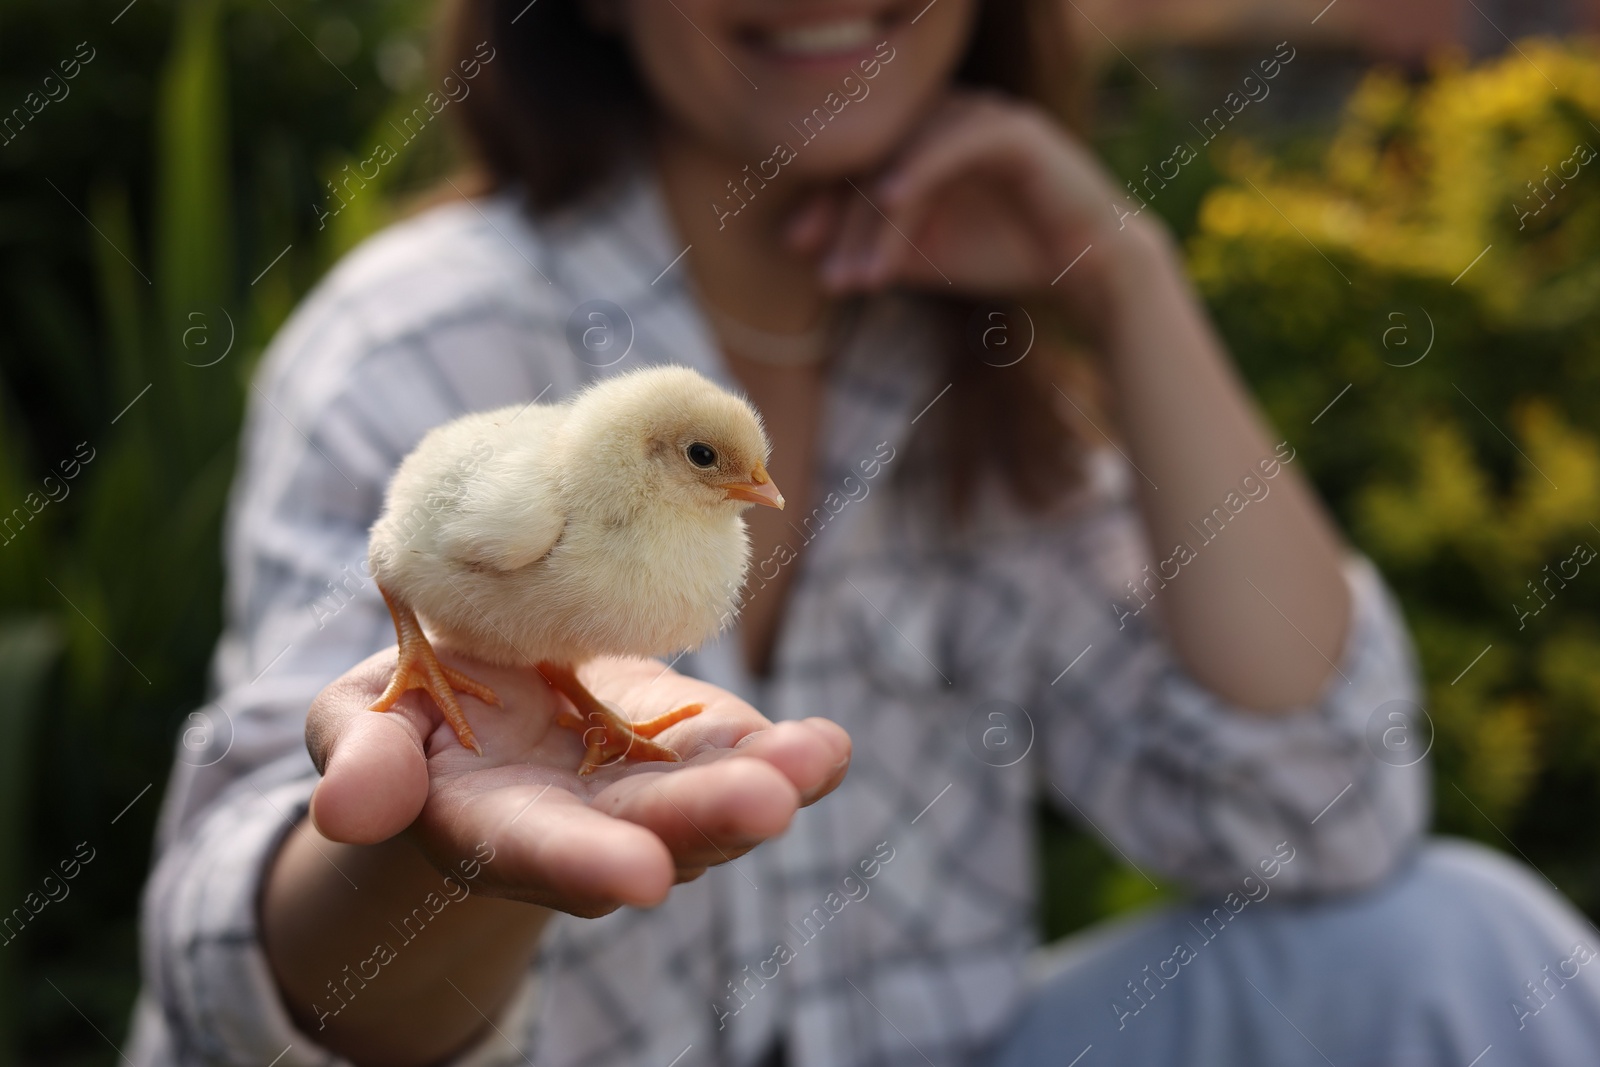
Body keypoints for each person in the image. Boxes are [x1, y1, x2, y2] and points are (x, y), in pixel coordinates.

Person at [129, 1, 1600, 1065]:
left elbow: (1325, 813)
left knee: (1451, 945)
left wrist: (1126, 283)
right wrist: (438, 855)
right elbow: (238, 993)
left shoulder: (976, 368)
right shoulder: (431, 336)